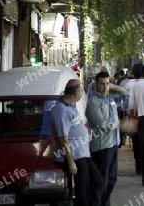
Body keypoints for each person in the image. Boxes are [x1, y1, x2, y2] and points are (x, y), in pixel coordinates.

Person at [51, 78, 104, 206]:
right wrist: (70, 162)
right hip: (75, 156)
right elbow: (62, 138)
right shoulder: (61, 110)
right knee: (82, 190)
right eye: (82, 91)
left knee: (97, 182)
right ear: (76, 93)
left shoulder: (70, 106)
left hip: (83, 153)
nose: (83, 94)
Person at [86, 71, 120, 206]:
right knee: (101, 182)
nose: (105, 87)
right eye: (102, 84)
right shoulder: (93, 101)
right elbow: (104, 124)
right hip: (102, 147)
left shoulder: (110, 99)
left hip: (113, 144)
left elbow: (127, 93)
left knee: (111, 179)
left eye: (107, 84)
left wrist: (113, 87)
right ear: (96, 84)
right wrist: (121, 124)